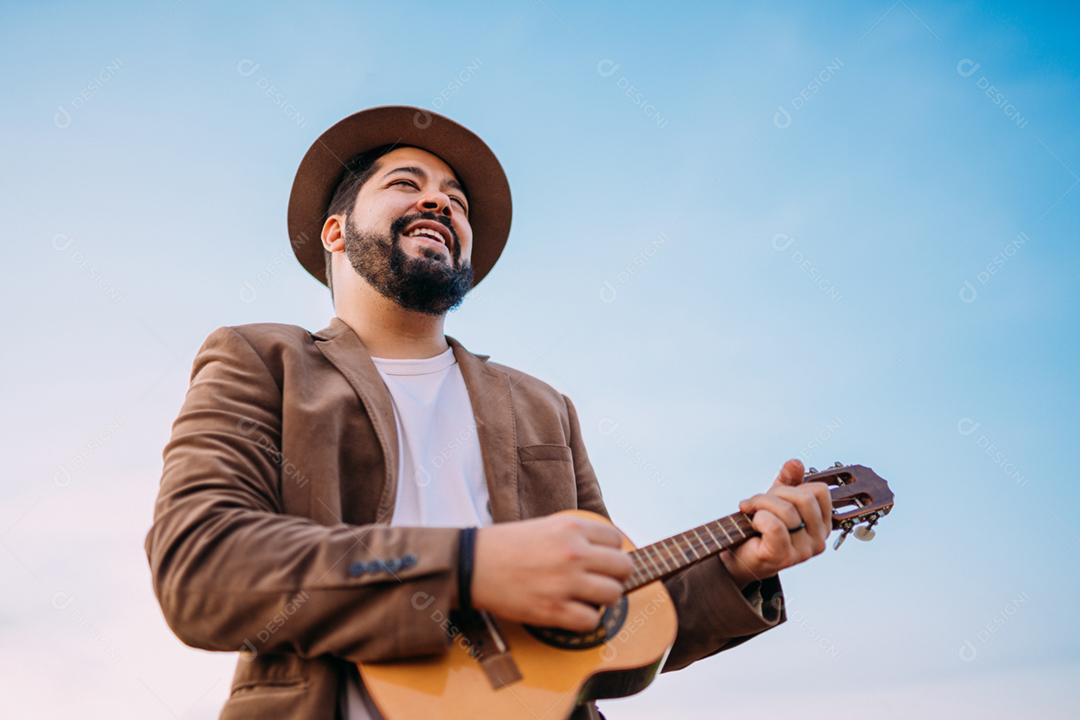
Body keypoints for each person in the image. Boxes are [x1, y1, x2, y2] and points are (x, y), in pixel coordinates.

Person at [145, 106, 833, 719]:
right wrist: (469, 567)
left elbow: (609, 619)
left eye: (456, 201)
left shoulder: (544, 408)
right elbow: (201, 565)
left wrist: (736, 568)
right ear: (335, 231)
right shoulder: (262, 359)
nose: (440, 204)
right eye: (406, 184)